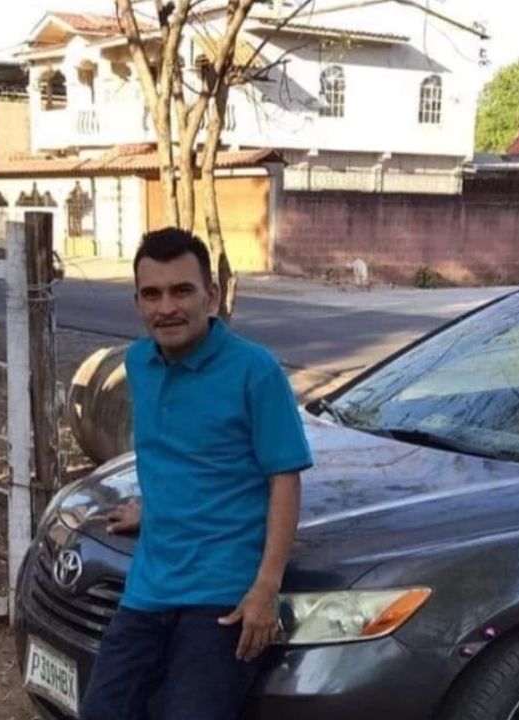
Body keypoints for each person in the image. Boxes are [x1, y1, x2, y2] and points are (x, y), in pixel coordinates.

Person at [80, 228, 313, 720]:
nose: (166, 307)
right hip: (149, 587)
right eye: (152, 294)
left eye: (181, 290)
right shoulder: (139, 363)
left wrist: (265, 589)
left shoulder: (255, 371)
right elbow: (178, 453)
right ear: (137, 303)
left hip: (223, 597)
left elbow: (284, 480)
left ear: (211, 295)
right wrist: (153, 509)